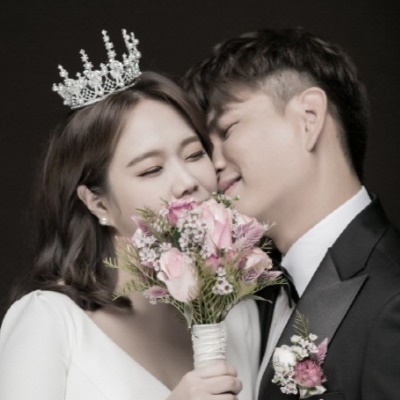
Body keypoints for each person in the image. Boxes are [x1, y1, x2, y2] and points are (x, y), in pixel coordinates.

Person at [0, 30, 260, 400]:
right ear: (97, 203)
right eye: (151, 169)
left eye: (194, 154)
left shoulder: (241, 316)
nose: (187, 181)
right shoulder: (51, 321)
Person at [182, 28, 400, 400]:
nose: (213, 164)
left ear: (309, 118)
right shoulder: (257, 297)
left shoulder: (392, 301)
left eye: (227, 129)